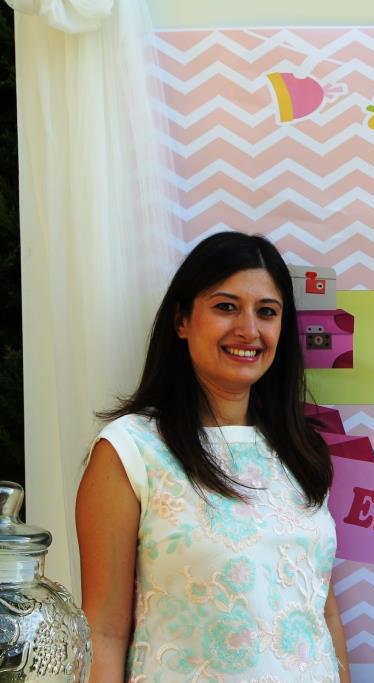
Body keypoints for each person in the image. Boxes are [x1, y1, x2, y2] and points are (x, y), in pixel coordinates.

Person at [76, 232, 351, 682]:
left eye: (267, 312)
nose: (249, 329)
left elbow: (324, 615)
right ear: (181, 320)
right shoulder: (130, 450)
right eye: (226, 307)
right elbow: (103, 631)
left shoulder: (300, 451)